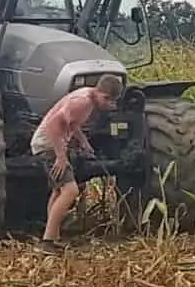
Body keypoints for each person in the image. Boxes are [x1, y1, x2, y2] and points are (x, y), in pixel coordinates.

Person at [31, 72, 127, 253]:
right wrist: (61, 157)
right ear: (100, 92)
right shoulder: (82, 101)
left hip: (52, 143)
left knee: (59, 191)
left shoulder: (88, 98)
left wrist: (83, 142)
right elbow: (53, 125)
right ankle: (47, 242)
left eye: (113, 101)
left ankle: (54, 236)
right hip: (47, 145)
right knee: (70, 190)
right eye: (107, 100)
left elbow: (72, 124)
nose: (109, 105)